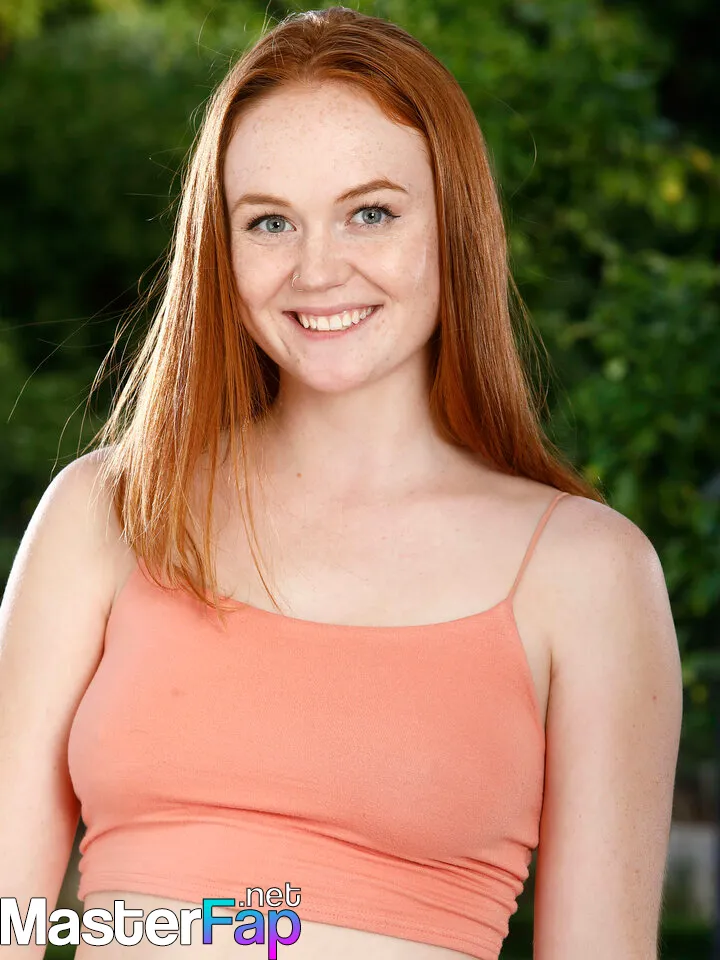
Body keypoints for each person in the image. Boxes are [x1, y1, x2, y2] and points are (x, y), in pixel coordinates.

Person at [0, 6, 683, 959]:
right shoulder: (108, 511)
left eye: (371, 213)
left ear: (454, 227)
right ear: (220, 249)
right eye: (270, 222)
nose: (317, 270)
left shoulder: (589, 573)